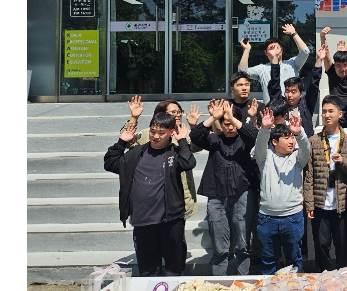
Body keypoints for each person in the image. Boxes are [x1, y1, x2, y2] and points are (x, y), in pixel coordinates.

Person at [103, 114, 196, 276]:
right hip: (143, 220)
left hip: (170, 220)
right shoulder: (137, 153)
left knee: (173, 268)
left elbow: (188, 162)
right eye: (153, 131)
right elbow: (110, 163)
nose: (156, 136)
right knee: (148, 269)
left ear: (171, 132)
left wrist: (182, 141)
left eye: (161, 133)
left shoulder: (174, 153)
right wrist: (121, 142)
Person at [189, 99, 259, 276]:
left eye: (233, 123)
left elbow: (255, 136)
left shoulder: (245, 139)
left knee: (242, 243)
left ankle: (243, 279)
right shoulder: (214, 139)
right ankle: (219, 281)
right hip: (216, 194)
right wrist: (214, 118)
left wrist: (232, 118)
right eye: (226, 124)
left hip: (242, 193)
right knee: (220, 246)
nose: (230, 127)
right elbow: (195, 136)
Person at [303, 96, 347, 271]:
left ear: (340, 114)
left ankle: (343, 279)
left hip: (342, 204)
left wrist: (343, 161)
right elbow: (309, 174)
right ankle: (323, 277)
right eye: (324, 111)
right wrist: (309, 203)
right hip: (320, 203)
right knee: (321, 245)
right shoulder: (313, 141)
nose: (327, 115)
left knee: (342, 245)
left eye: (331, 111)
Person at [255, 109, 311, 274]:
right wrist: (264, 129)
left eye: (292, 137)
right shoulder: (264, 157)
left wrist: (299, 133)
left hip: (293, 217)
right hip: (267, 218)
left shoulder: (297, 157)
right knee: (268, 261)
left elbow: (306, 149)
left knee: (295, 261)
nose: (291, 141)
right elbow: (260, 144)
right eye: (286, 138)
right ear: (274, 141)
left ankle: (296, 290)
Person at [238, 23, 311, 104]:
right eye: (271, 48)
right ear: (266, 53)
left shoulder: (292, 63)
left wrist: (294, 33)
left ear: (281, 50)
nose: (274, 51)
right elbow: (242, 72)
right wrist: (247, 50)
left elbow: (305, 52)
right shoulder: (262, 68)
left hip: (291, 107)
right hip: (271, 109)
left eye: (276, 47)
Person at [267, 43, 324, 137]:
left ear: (301, 93)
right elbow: (274, 85)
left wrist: (319, 60)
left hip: (304, 142)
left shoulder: (306, 104)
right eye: (287, 91)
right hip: (284, 142)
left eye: (293, 92)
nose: (289, 95)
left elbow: (314, 84)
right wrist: (274, 59)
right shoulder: (281, 104)